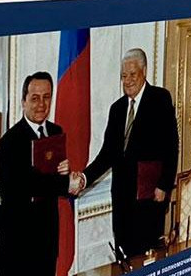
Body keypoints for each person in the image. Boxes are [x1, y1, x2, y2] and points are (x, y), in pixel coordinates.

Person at [72, 49, 179, 258]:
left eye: (132, 74)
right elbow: (107, 154)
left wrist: (164, 185)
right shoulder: (117, 109)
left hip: (149, 196)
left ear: (144, 71)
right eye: (123, 75)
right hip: (122, 197)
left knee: (146, 257)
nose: (127, 80)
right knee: (124, 255)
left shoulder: (160, 98)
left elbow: (171, 147)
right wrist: (84, 178)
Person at [0, 72, 71, 276]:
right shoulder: (10, 142)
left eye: (46, 97)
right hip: (18, 247)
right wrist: (64, 182)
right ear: (23, 101)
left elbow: (56, 182)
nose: (41, 104)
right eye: (35, 98)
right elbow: (24, 186)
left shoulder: (56, 132)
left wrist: (65, 173)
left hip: (46, 243)